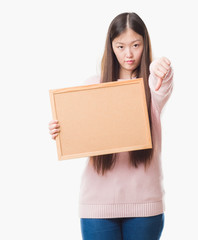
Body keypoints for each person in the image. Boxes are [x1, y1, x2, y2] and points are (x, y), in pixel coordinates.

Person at [48, 12, 173, 240]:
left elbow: (164, 81)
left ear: (145, 43)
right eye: (121, 46)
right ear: (111, 47)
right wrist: (61, 130)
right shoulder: (93, 85)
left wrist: (159, 67)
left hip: (144, 204)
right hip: (98, 204)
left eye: (136, 45)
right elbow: (80, 132)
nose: (129, 54)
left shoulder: (153, 84)